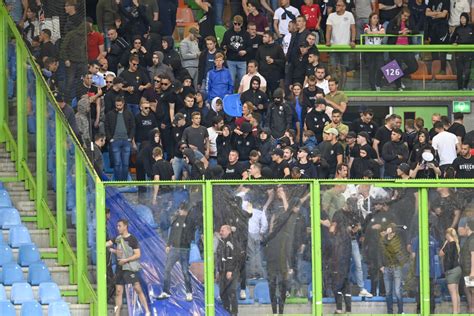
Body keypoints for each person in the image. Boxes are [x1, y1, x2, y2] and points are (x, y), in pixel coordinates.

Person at [106, 219, 151, 316]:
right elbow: (106, 244)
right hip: (119, 268)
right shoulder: (117, 238)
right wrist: (114, 251)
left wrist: (126, 260)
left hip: (129, 267)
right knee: (118, 292)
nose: (118, 228)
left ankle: (147, 311)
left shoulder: (132, 239)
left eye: (119, 226)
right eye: (117, 226)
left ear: (125, 226)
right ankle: (116, 314)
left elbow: (138, 254)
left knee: (137, 288)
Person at [158, 202, 196, 301]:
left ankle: (189, 292)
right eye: (179, 208)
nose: (179, 211)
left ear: (185, 210)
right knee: (167, 269)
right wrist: (168, 245)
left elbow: (191, 234)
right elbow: (172, 233)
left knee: (185, 271)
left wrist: (186, 242)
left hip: (184, 249)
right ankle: (166, 291)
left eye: (181, 209)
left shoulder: (190, 220)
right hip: (174, 248)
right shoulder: (175, 220)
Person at [386, 8, 419, 91]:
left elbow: (416, 30)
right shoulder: (393, 21)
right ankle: (398, 86)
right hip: (395, 48)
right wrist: (400, 32)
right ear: (400, 14)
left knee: (414, 66)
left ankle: (395, 77)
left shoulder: (409, 22)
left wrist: (409, 31)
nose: (406, 18)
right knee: (397, 67)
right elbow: (388, 31)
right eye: (404, 16)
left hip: (406, 48)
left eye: (407, 16)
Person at [379, 223, 409, 314]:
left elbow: (404, 231)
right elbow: (379, 253)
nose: (392, 234)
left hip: (396, 267)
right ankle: (390, 312)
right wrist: (381, 266)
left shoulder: (397, 239)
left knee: (397, 291)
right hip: (386, 268)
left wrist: (397, 227)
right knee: (388, 292)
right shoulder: (383, 241)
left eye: (393, 232)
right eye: (391, 232)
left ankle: (401, 311)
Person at [105, 96, 135, 181]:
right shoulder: (110, 114)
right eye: (117, 105)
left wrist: (130, 138)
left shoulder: (129, 114)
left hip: (126, 141)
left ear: (123, 104)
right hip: (115, 141)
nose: (118, 107)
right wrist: (110, 138)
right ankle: (118, 181)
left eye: (120, 105)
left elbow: (133, 126)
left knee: (125, 164)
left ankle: (124, 181)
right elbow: (106, 127)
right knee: (117, 163)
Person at [216, 224, 240, 316]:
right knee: (222, 293)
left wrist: (230, 270)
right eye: (220, 230)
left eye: (223, 230)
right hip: (222, 271)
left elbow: (235, 257)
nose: (221, 232)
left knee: (231, 292)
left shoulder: (233, 242)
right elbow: (219, 257)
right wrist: (218, 270)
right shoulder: (221, 242)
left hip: (231, 271)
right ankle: (226, 311)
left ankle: (234, 313)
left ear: (229, 231)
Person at [221, 15, 251, 88]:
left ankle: (242, 97)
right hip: (231, 60)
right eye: (235, 24)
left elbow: (250, 47)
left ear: (242, 24)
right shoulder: (227, 33)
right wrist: (224, 47)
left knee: (243, 81)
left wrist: (245, 51)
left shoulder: (246, 34)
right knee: (231, 81)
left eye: (239, 24)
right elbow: (222, 44)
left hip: (242, 60)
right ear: (233, 23)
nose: (237, 26)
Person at [439, 227, 462, 314]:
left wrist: (445, 244)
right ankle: (458, 311)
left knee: (453, 293)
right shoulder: (456, 244)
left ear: (448, 235)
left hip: (451, 271)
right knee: (456, 292)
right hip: (457, 269)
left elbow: (440, 253)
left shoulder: (449, 244)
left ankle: (455, 312)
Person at [256, 31, 286, 96]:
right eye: (263, 36)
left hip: (274, 76)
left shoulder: (278, 48)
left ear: (271, 38)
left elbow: (283, 61)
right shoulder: (260, 48)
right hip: (262, 75)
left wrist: (274, 61)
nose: (263, 38)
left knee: (274, 94)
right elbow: (257, 61)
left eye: (265, 37)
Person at [363, 13, 385, 91]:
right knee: (371, 69)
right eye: (374, 18)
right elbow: (367, 32)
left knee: (381, 67)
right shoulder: (366, 26)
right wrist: (377, 33)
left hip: (378, 50)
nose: (376, 20)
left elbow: (383, 33)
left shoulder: (380, 26)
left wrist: (374, 33)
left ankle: (378, 83)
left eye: (377, 18)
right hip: (369, 51)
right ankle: (373, 87)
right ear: (370, 19)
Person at [460, 219, 474, 313]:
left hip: (470, 270)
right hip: (467, 270)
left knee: (471, 290)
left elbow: (473, 256)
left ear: (467, 227)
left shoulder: (472, 239)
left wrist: (472, 272)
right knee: (467, 288)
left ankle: (472, 309)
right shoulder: (469, 239)